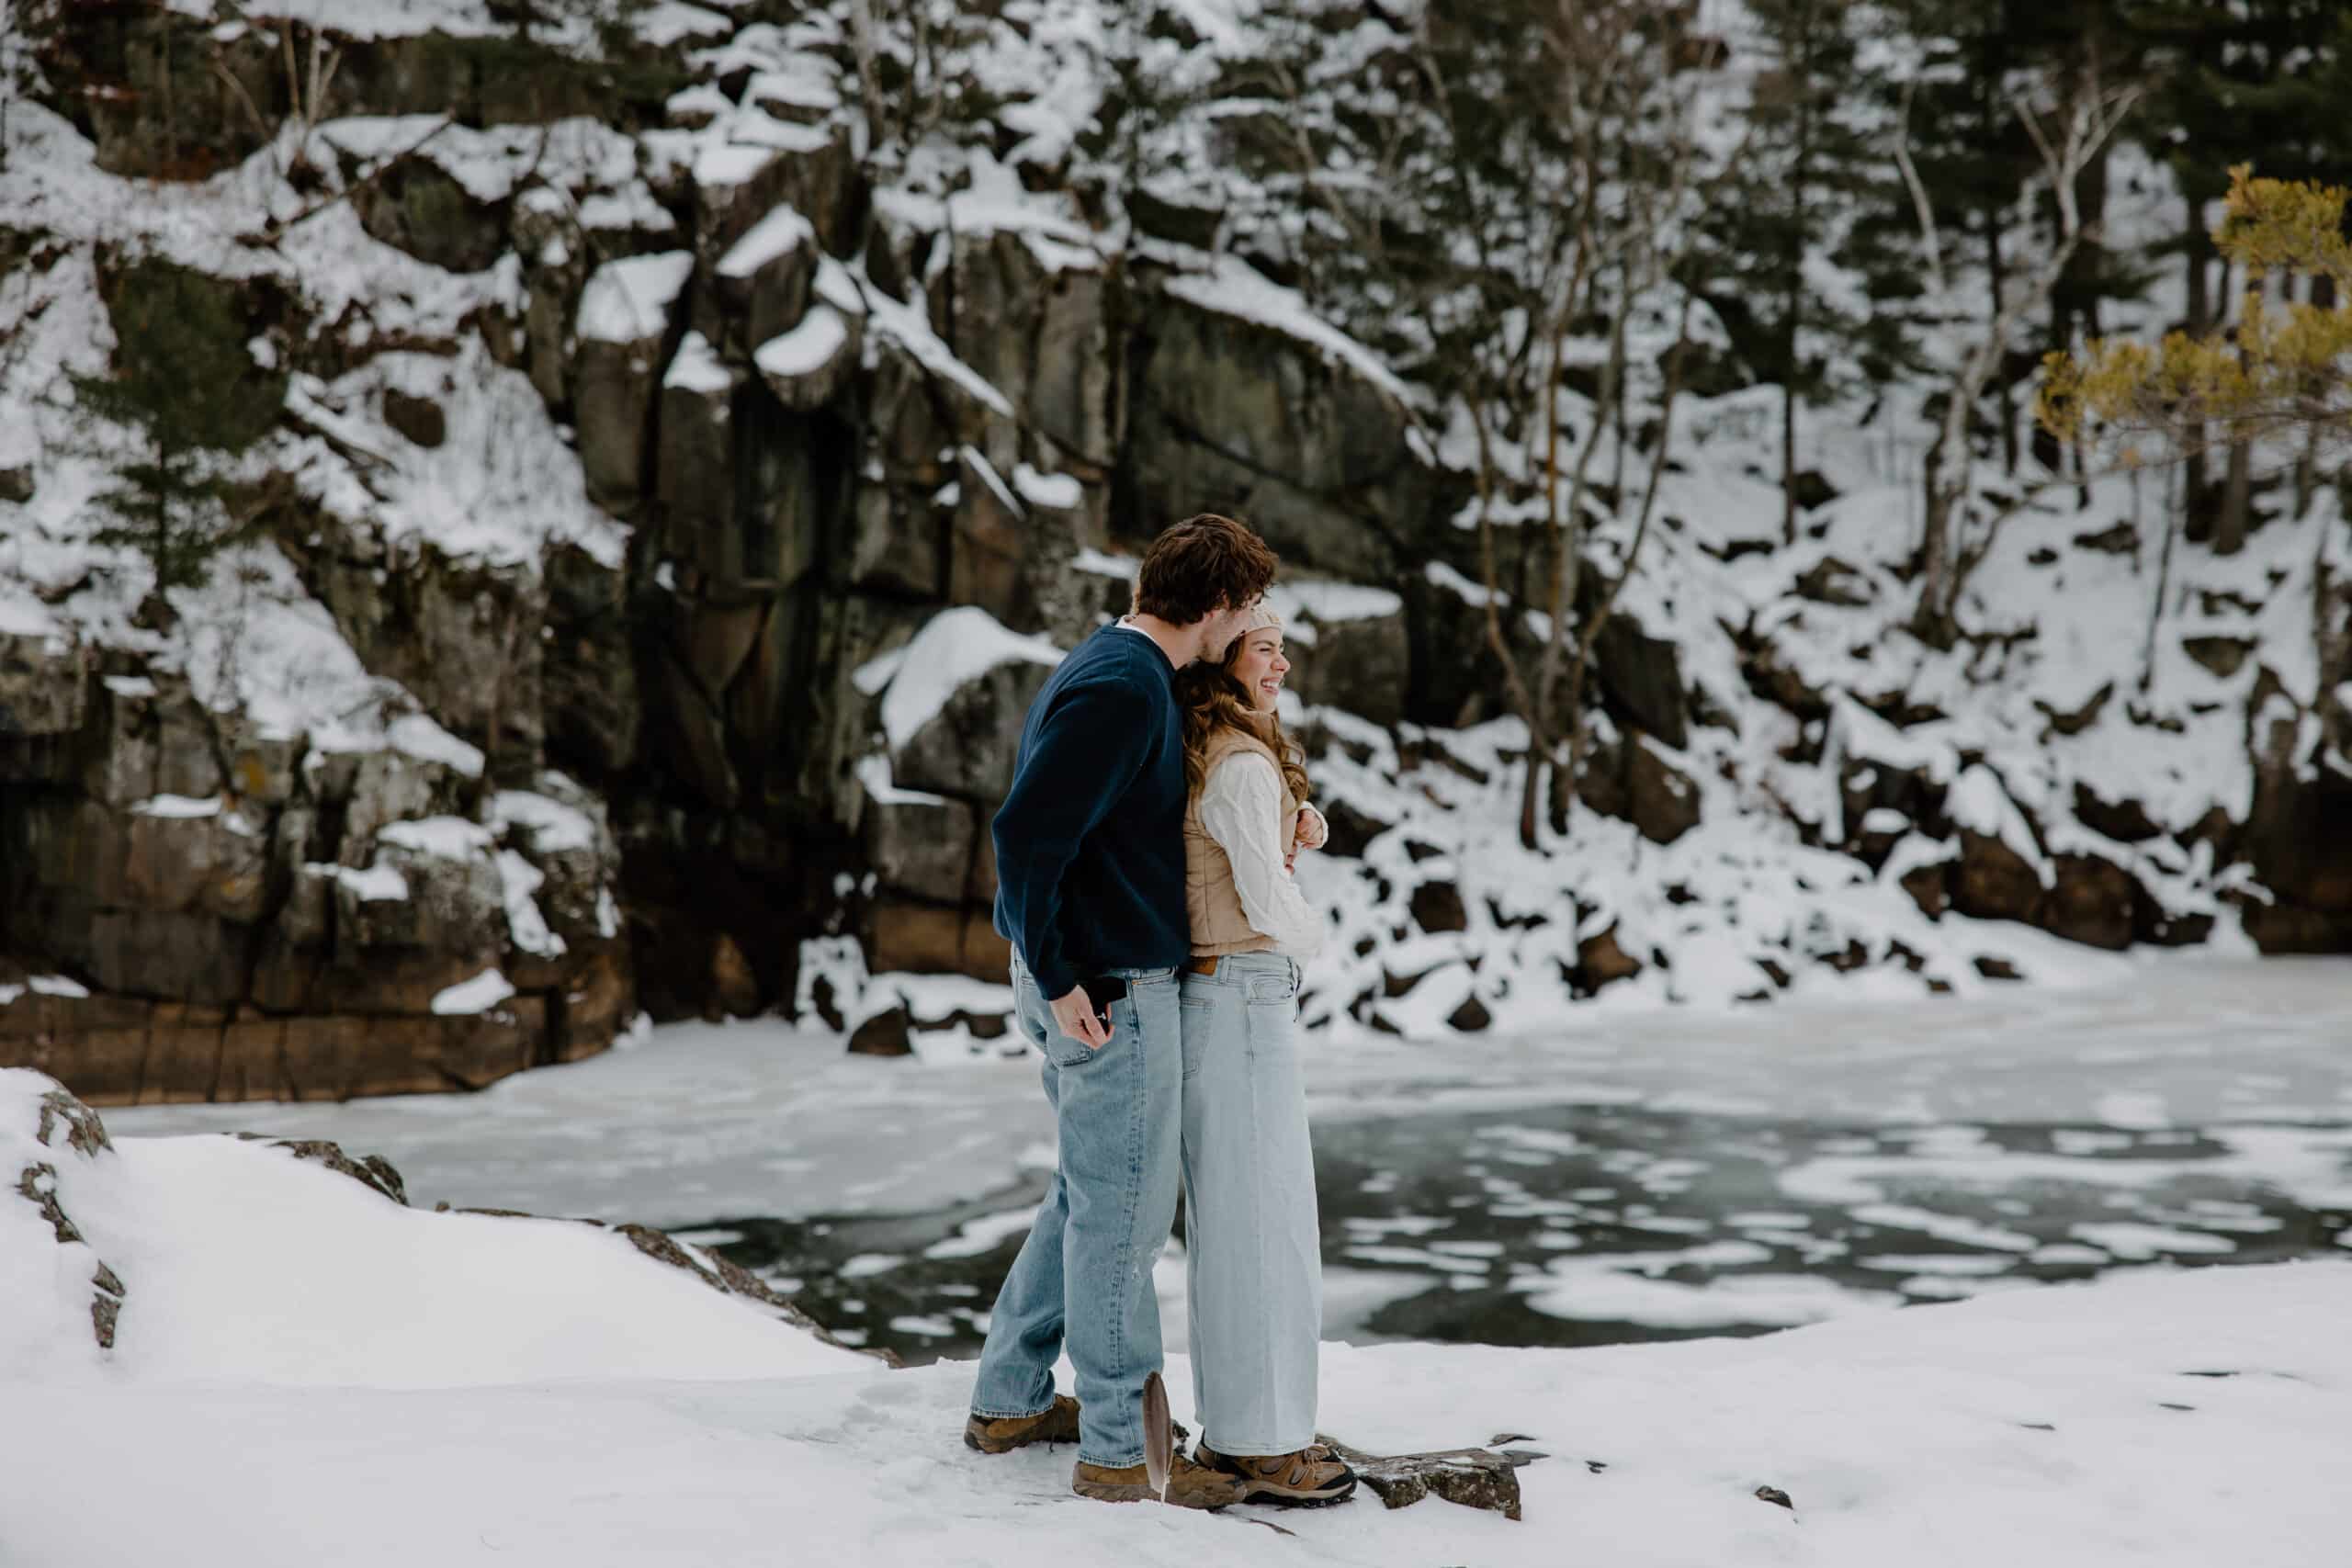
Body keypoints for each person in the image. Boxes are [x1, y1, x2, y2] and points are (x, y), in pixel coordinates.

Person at [963, 514, 1278, 1509]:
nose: (1256, 627)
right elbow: (1025, 834)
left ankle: (1009, 1398)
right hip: (1107, 989)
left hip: (1087, 975)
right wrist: (1059, 977)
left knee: (1089, 1196)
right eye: (1251, 611)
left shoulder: (1114, 664)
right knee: (1124, 1220)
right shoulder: (1121, 685)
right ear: (1218, 611)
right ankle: (1119, 1454)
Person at [1168, 604, 1355, 1506]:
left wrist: (1296, 817)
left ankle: (1257, 1426)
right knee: (1262, 1225)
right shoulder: (1239, 762)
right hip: (1241, 998)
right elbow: (1262, 897)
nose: (1281, 663)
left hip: (1232, 999)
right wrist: (1314, 935)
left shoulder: (1234, 749)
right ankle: (1261, 1442)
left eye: (1283, 647)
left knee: (1250, 1220)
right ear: (1225, 661)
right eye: (1263, 648)